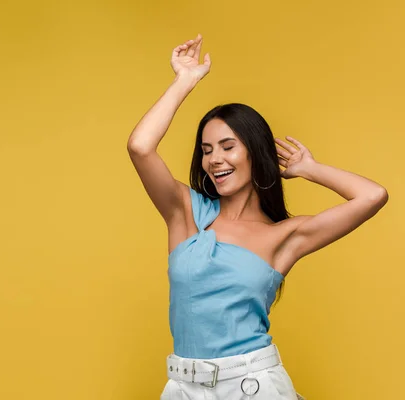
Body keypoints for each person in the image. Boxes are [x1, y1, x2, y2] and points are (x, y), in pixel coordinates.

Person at [126, 34, 388, 400]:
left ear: (255, 152)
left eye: (228, 146)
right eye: (206, 150)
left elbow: (373, 196)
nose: (214, 159)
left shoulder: (285, 236)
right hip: (182, 388)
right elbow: (140, 147)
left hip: (253, 386)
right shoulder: (184, 212)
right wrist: (184, 80)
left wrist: (309, 168)